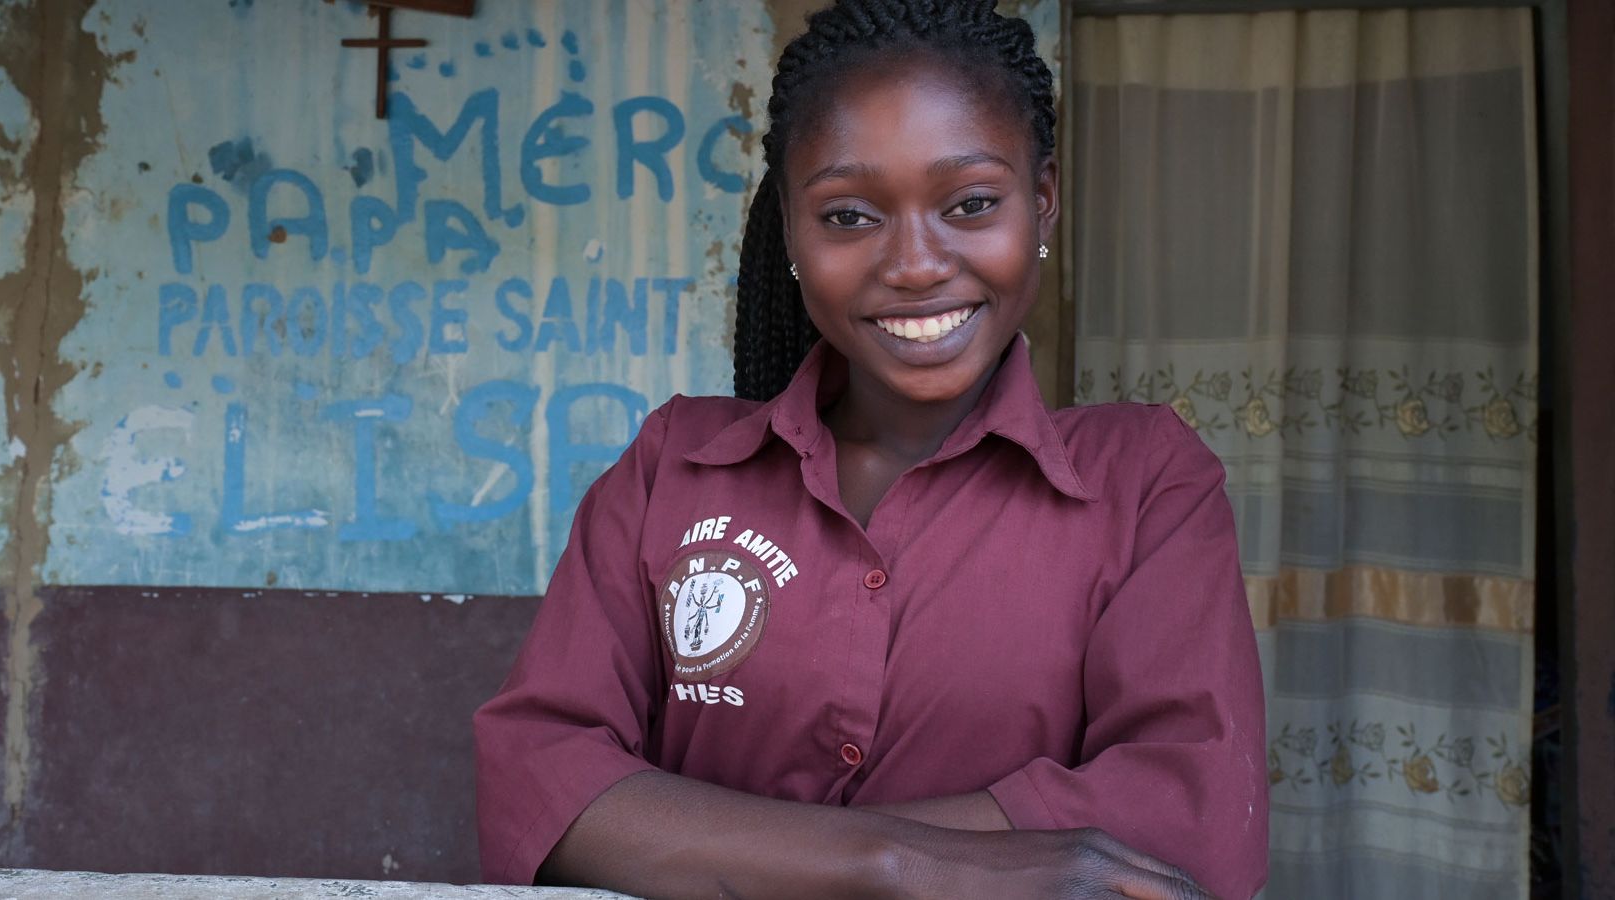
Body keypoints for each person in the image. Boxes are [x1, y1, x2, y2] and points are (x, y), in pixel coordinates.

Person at [472, 0, 1269, 896]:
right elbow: (538, 779)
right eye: (850, 217)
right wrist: (900, 867)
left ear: (1041, 202)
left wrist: (710, 842)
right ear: (792, 235)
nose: (916, 264)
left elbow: (1186, 819)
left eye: (971, 204)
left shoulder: (1144, 482)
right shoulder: (677, 467)